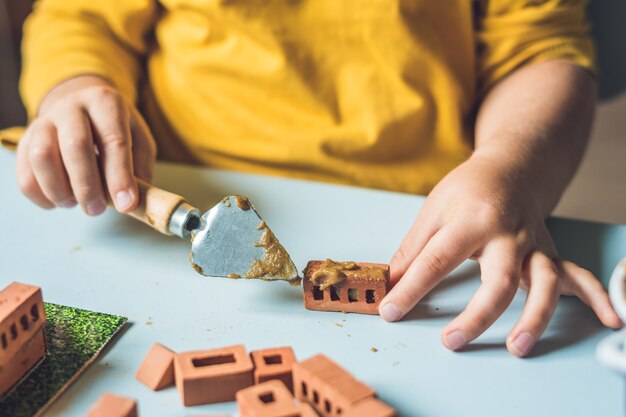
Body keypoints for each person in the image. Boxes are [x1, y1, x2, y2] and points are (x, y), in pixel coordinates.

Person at [10, 0, 621, 357]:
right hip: (180, 183)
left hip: (432, 214)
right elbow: (80, 15)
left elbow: (540, 46)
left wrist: (511, 169)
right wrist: (77, 84)